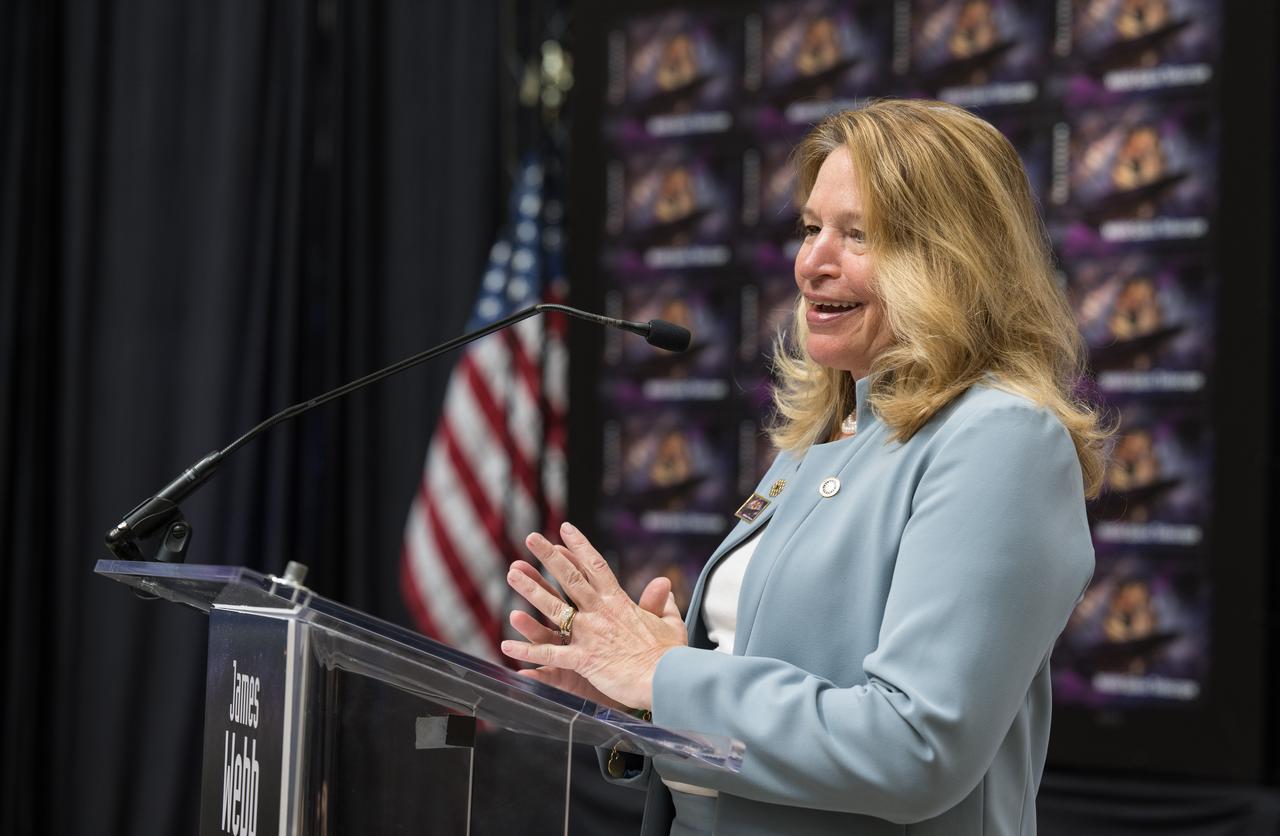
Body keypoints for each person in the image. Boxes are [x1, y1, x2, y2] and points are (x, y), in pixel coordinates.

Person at [501, 99, 1107, 835]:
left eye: (859, 235)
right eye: (812, 228)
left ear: (953, 260)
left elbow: (913, 748)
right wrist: (635, 692)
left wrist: (666, 673)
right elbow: (775, 700)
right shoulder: (826, 433)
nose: (813, 261)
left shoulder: (1002, 440)